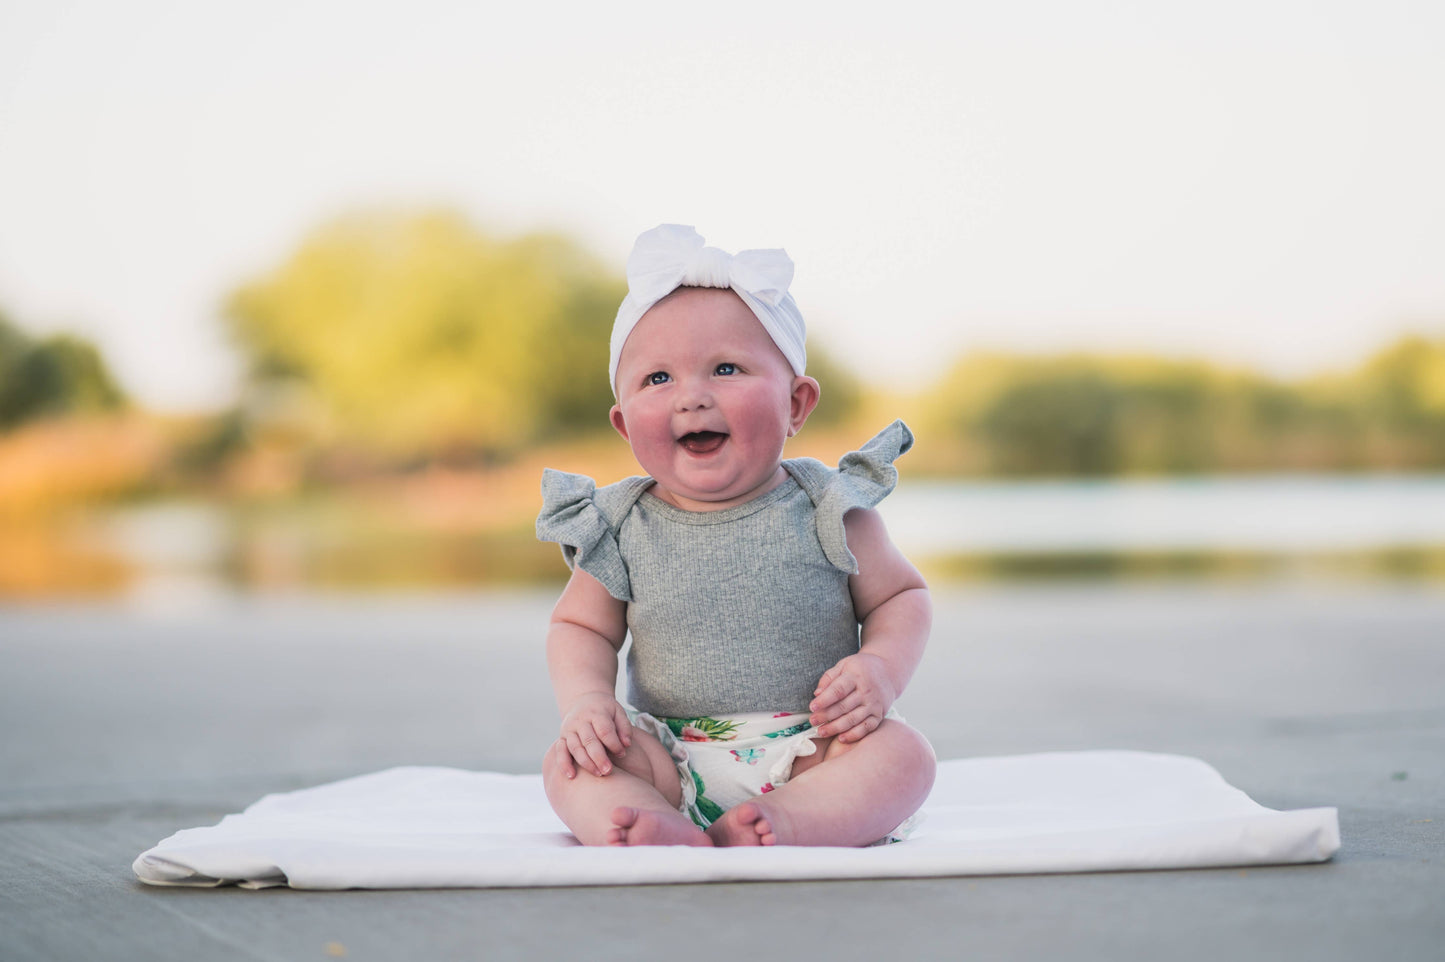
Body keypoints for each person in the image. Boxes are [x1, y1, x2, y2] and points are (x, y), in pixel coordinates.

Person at [536, 224, 935, 847]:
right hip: (666, 755)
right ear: (623, 423)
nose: (691, 397)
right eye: (657, 379)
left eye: (726, 369)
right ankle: (656, 824)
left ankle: (791, 820)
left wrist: (880, 669)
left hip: (813, 749)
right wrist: (587, 702)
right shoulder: (618, 524)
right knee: (571, 766)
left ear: (796, 404)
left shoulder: (829, 506)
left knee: (904, 756)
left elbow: (901, 598)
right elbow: (579, 627)